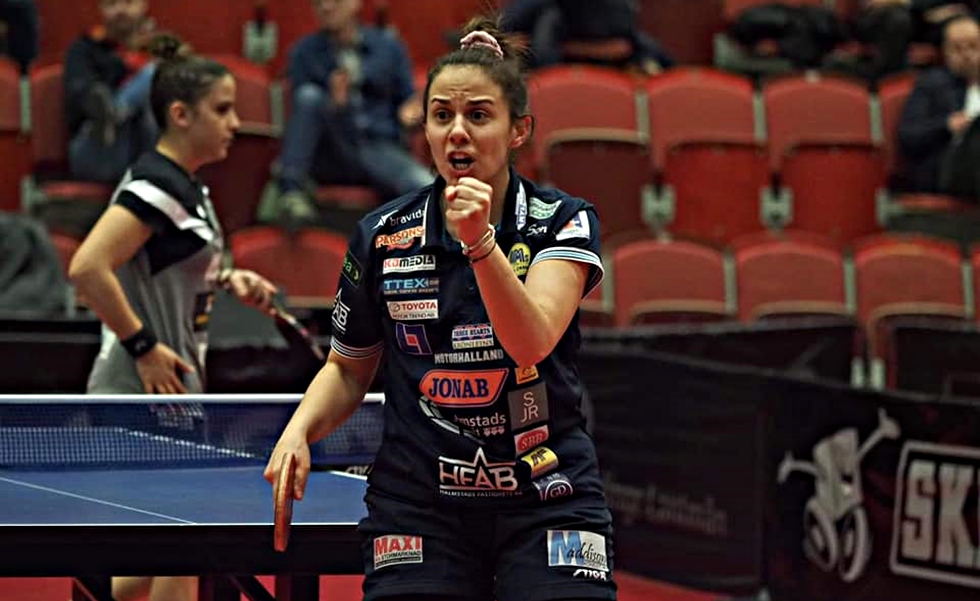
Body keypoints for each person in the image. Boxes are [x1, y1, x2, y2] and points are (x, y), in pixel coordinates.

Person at [265, 15, 617, 601]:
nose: (457, 132)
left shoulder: (562, 221)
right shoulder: (382, 236)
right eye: (441, 115)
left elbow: (530, 343)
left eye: (478, 116)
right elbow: (348, 369)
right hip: (419, 505)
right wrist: (299, 430)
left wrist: (481, 244)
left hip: (546, 494)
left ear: (519, 130)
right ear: (424, 129)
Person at [68, 33, 278, 601]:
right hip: (138, 395)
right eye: (222, 110)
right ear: (181, 115)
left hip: (175, 393)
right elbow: (87, 268)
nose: (236, 123)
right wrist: (143, 347)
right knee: (179, 549)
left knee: (150, 566)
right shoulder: (154, 185)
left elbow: (168, 264)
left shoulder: (188, 188)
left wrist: (228, 278)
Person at [267, 0, 432, 223]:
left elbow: (407, 102)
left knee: (426, 188)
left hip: (379, 146)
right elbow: (300, 119)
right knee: (309, 96)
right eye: (318, 3)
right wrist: (335, 105)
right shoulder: (304, 52)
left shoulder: (388, 48)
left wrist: (414, 111)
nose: (326, 7)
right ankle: (290, 193)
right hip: (332, 150)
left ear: (355, 3)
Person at [64, 0, 161, 185]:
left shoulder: (157, 49)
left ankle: (115, 111)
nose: (120, 10)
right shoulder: (84, 49)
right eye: (112, 3)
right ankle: (111, 113)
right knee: (152, 75)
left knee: (156, 79)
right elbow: (80, 98)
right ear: (101, 7)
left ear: (143, 4)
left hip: (145, 149)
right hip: (98, 151)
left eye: (128, 2)